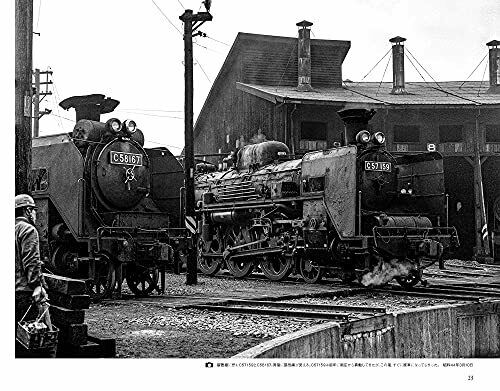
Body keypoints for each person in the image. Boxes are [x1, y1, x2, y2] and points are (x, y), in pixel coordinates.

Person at [15, 194, 53, 358]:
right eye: (34, 211)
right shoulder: (28, 230)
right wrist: (38, 285)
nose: (35, 215)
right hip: (24, 294)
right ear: (28, 211)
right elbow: (31, 262)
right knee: (33, 342)